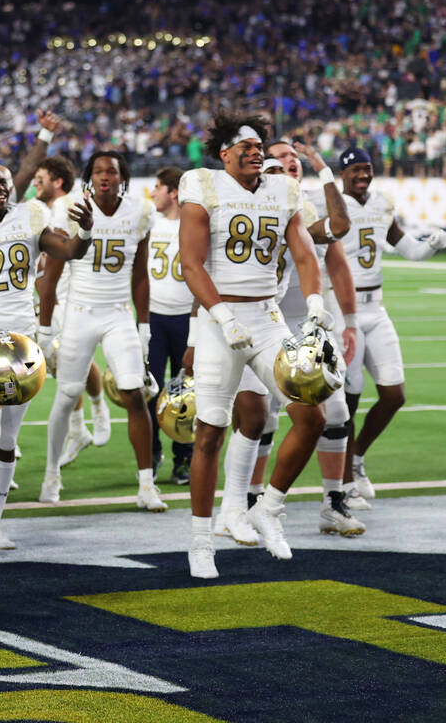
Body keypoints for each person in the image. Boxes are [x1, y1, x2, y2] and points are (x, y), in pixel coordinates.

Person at [178, 111, 330, 580]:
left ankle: (268, 507)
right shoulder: (201, 184)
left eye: (259, 143)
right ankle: (201, 542)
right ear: (224, 153)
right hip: (219, 319)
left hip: (267, 318)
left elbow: (303, 249)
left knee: (313, 414)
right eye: (245, 144)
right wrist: (221, 315)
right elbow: (191, 262)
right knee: (210, 432)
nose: (255, 149)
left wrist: (316, 305)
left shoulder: (282, 189)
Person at [213, 141, 362, 544]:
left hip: (305, 321)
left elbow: (340, 228)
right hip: (263, 321)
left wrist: (324, 170)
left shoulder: (301, 209)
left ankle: (333, 502)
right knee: (257, 419)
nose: (286, 169)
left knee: (332, 412)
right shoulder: (240, 208)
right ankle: (244, 504)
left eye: (292, 164)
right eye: (277, 164)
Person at [0, 164, 89, 557]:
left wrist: (87, 230)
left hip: (23, 344)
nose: (0, 188)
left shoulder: (30, 216)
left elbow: (69, 250)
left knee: (8, 438)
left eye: (4, 182)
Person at [37, 151, 164, 510]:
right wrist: (46, 327)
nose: (105, 175)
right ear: (90, 177)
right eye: (98, 170)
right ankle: (52, 474)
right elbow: (52, 274)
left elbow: (140, 274)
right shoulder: (70, 207)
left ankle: (146, 485)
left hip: (117, 312)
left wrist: (144, 325)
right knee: (66, 396)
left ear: (123, 176)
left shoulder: (140, 210)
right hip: (78, 311)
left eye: (112, 170)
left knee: (134, 392)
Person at [338, 147, 446, 500]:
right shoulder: (330, 205)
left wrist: (432, 243)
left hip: (376, 308)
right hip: (345, 312)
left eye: (367, 169)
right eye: (355, 169)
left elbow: (410, 251)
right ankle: (342, 482)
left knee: (394, 394)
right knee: (349, 399)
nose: (362, 175)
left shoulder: (381, 203)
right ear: (342, 174)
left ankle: (356, 457)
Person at [146, 167, 194, 484]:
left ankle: (184, 460)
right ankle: (151, 452)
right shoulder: (150, 224)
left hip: (186, 318)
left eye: (159, 186)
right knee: (147, 388)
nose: (153, 192)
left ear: (173, 192)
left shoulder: (193, 225)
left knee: (184, 394)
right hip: (153, 316)